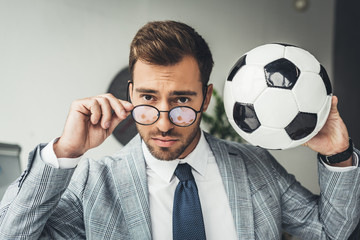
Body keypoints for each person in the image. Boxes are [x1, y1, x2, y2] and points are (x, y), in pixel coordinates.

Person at [0, 20, 359, 240]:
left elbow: (331, 232)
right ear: (130, 94)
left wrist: (338, 155)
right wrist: (63, 153)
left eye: (182, 100)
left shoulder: (255, 166)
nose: (163, 120)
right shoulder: (92, 182)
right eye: (148, 97)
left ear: (205, 97)